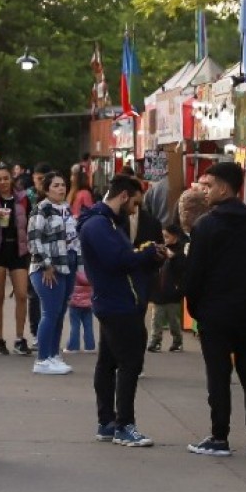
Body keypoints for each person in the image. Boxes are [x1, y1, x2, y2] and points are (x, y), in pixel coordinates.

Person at [184, 162, 246, 458]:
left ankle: (219, 437)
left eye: (209, 185)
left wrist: (197, 309)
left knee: (218, 376)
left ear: (224, 188)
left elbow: (195, 275)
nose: (205, 191)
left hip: (216, 314)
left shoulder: (206, 226)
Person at [80, 174, 167, 447]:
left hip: (115, 301)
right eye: (135, 203)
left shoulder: (103, 223)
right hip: (118, 303)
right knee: (129, 364)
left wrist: (147, 257)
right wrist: (149, 254)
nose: (136, 209)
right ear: (125, 196)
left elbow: (120, 260)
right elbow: (118, 260)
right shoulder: (99, 225)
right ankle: (124, 425)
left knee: (108, 363)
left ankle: (107, 422)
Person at [0, 167, 32, 356]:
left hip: (18, 249)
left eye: (5, 178)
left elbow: (31, 221)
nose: (2, 182)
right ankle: (0, 339)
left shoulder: (23, 198)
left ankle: (19, 338)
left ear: (12, 179)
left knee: (21, 294)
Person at [28, 173, 76, 374]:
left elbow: (73, 237)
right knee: (49, 313)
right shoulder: (42, 209)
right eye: (55, 185)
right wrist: (46, 265)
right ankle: (42, 359)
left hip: (67, 266)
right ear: (46, 189)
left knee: (59, 313)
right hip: (47, 269)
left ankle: (53, 355)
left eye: (63, 185)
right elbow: (34, 240)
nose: (61, 188)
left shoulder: (65, 208)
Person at [147, 224, 188, 352]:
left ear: (174, 237)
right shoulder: (161, 249)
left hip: (173, 293)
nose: (164, 239)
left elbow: (182, 268)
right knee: (156, 320)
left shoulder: (180, 251)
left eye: (166, 236)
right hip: (159, 292)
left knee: (173, 321)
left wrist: (173, 257)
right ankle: (155, 341)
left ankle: (177, 341)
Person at [65, 264, 95, 354]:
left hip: (75, 303)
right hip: (88, 304)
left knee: (75, 326)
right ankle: (90, 347)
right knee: (88, 326)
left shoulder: (74, 273)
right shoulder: (90, 273)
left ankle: (73, 347)